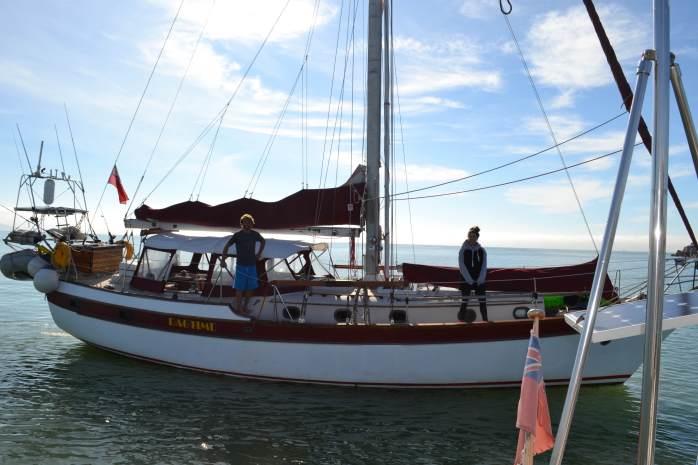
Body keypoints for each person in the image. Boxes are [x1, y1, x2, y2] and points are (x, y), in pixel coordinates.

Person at [221, 213, 266, 316]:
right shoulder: (237, 235)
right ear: (242, 223)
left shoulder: (255, 234)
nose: (248, 224)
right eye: (246, 222)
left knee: (250, 288)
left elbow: (263, 241)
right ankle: (239, 308)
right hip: (241, 265)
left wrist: (258, 254)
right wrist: (223, 260)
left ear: (252, 223)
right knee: (239, 288)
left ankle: (245, 307)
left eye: (250, 222)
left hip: (252, 265)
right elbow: (226, 246)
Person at [458, 226, 488, 322]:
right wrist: (470, 281)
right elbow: (462, 266)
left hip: (479, 281)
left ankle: (485, 322)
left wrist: (479, 280)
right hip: (466, 280)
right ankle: (461, 323)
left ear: (477, 237)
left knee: (483, 303)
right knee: (464, 302)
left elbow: (484, 266)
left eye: (473, 236)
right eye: (470, 236)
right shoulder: (463, 250)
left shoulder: (482, 251)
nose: (471, 238)